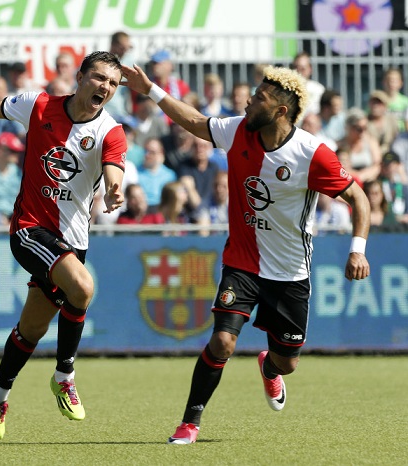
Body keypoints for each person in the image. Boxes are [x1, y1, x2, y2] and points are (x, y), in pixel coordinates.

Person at [121, 63, 370, 445]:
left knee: (287, 360)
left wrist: (358, 250)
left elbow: (358, 197)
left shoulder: (312, 153)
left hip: (290, 271)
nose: (249, 102)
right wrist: (150, 89)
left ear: (281, 112)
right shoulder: (239, 130)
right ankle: (190, 422)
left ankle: (270, 368)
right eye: (252, 96)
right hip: (242, 261)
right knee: (222, 342)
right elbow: (195, 121)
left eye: (259, 99)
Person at [0, 50, 127, 440]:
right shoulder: (39, 104)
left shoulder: (111, 131)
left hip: (73, 240)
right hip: (30, 230)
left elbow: (115, 167)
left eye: (113, 83)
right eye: (99, 78)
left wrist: (114, 187)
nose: (105, 87)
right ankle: (65, 374)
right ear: (80, 77)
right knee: (82, 288)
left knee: (31, 329)